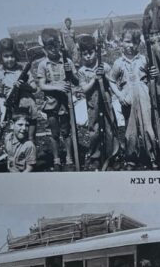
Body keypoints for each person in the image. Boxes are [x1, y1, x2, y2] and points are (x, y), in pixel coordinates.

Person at [108, 30, 159, 168]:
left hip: (143, 95)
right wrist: (119, 95)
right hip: (127, 97)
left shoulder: (144, 59)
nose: (131, 45)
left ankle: (152, 156)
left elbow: (153, 76)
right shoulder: (118, 63)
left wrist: (154, 74)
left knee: (148, 128)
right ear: (121, 42)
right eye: (127, 41)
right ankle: (131, 158)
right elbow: (111, 81)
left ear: (139, 43)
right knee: (131, 131)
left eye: (135, 42)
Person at [74, 34, 121, 170]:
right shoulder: (82, 71)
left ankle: (113, 155)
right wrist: (94, 79)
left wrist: (104, 75)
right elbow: (84, 89)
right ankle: (95, 157)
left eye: (91, 53)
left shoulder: (104, 66)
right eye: (85, 54)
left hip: (106, 104)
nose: (88, 56)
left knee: (110, 129)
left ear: (96, 51)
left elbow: (112, 82)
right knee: (94, 131)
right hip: (92, 106)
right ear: (81, 55)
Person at [34, 28, 76, 170]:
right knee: (55, 133)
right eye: (49, 47)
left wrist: (70, 72)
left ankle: (69, 158)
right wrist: (57, 87)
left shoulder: (66, 61)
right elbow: (42, 85)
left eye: (55, 45)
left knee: (66, 131)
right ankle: (56, 159)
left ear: (59, 44)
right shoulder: (43, 65)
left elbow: (75, 80)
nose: (53, 49)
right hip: (51, 104)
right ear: (44, 48)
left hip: (65, 103)